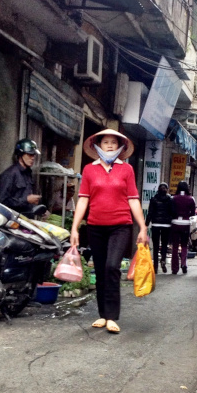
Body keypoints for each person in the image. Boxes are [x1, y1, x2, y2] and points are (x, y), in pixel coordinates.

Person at [70, 128, 149, 334]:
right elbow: (83, 199)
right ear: (98, 146)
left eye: (114, 142)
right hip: (95, 226)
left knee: (113, 266)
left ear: (121, 146)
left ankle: (112, 316)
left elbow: (133, 199)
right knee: (102, 269)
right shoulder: (89, 169)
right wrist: (75, 228)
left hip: (120, 226)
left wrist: (142, 226)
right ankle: (103, 314)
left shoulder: (127, 170)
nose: (110, 145)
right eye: (106, 142)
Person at [0, 139, 43, 214]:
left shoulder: (28, 173)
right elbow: (3, 202)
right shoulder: (9, 174)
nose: (33, 158)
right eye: (29, 155)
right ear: (20, 155)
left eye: (34, 155)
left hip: (27, 218)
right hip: (13, 220)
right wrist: (26, 200)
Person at [145, 182, 173, 273]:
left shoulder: (153, 199)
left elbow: (150, 213)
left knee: (156, 246)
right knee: (164, 244)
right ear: (167, 190)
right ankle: (163, 260)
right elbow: (173, 212)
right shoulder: (170, 199)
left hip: (155, 224)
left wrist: (146, 224)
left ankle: (155, 266)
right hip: (166, 225)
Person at [170, 180, 196, 275]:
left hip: (175, 223)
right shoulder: (191, 199)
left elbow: (171, 211)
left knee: (175, 247)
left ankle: (174, 268)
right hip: (185, 223)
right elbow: (193, 213)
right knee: (184, 245)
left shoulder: (173, 198)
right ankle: (184, 264)